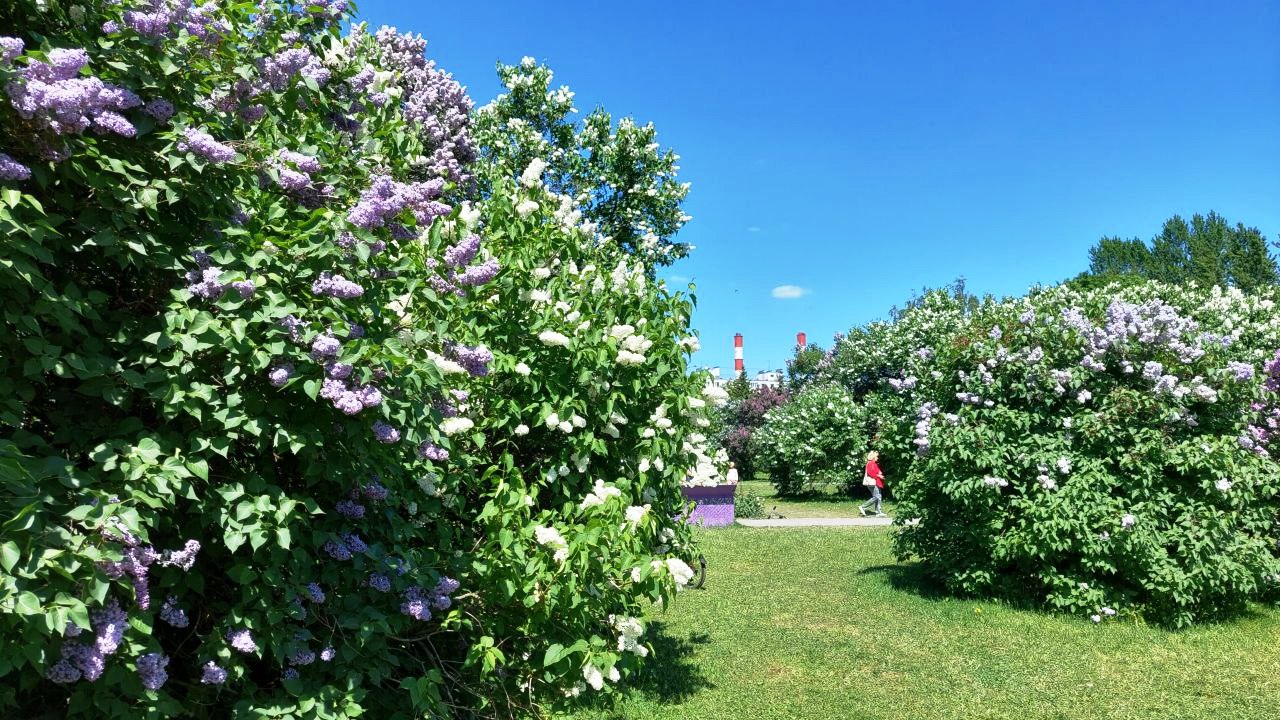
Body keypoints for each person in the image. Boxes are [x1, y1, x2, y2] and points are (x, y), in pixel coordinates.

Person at [859, 451, 885, 517]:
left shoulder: (874, 464)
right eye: (877, 456)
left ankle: (878, 512)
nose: (878, 458)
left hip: (875, 482)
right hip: (872, 483)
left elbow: (878, 471)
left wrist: (880, 474)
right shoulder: (870, 463)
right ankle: (863, 506)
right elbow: (871, 473)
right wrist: (878, 476)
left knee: (878, 496)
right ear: (873, 457)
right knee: (876, 497)